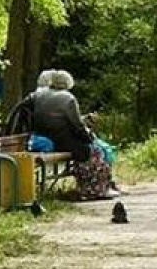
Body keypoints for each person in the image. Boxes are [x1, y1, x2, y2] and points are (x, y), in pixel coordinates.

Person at [32, 70, 119, 200]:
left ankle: (94, 187)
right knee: (92, 150)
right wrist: (88, 137)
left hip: (46, 138)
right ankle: (94, 188)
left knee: (90, 148)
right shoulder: (68, 98)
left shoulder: (40, 95)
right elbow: (77, 125)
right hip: (63, 140)